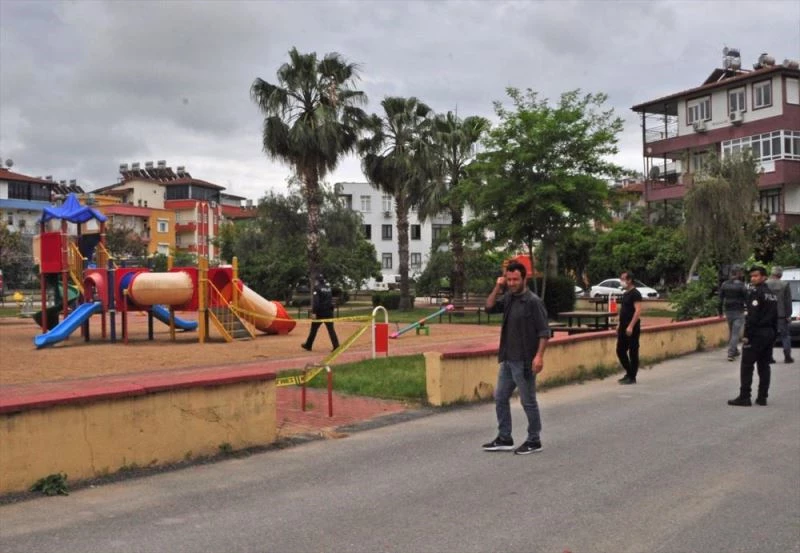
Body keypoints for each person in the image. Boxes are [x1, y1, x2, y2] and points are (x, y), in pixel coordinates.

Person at [481, 261, 550, 455]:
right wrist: (498, 286)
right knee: (501, 397)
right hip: (508, 359)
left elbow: (544, 332)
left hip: (525, 360)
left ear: (524, 279)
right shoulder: (509, 298)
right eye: (509, 279)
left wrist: (539, 357)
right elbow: (488, 307)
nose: (512, 283)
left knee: (528, 401)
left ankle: (534, 439)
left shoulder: (533, 302)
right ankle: (505, 437)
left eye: (515, 280)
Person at [728, 265, 778, 407]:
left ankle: (745, 396)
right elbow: (775, 316)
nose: (753, 278)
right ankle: (762, 397)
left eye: (756, 276)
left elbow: (752, 317)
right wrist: (774, 335)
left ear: (764, 277)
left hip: (757, 333)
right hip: (769, 333)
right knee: (764, 366)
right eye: (752, 276)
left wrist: (746, 335)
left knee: (747, 365)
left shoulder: (756, 293)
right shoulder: (772, 294)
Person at [301, 275, 340, 352]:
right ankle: (336, 346)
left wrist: (314, 312)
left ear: (317, 281)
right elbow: (330, 300)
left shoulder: (317, 288)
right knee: (331, 330)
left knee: (313, 329)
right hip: (329, 312)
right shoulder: (328, 288)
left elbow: (316, 302)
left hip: (320, 312)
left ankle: (308, 345)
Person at [616, 270, 642, 385]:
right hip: (623, 326)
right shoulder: (626, 293)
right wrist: (619, 324)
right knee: (620, 350)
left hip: (632, 327)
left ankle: (632, 377)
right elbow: (623, 310)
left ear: (629, 280)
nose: (621, 281)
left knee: (633, 351)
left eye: (623, 279)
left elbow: (638, 311)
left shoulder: (635, 293)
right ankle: (629, 372)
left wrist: (631, 326)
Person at [719, 266, 747, 362]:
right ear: (738, 273)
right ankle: (731, 353)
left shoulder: (724, 284)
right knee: (735, 333)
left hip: (728, 310)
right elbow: (746, 298)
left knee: (732, 332)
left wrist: (720, 312)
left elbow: (720, 299)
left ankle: (734, 350)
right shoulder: (741, 285)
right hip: (738, 311)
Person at [766, 266, 794, 364]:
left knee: (770, 336)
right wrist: (788, 315)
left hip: (768, 315)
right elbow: (788, 302)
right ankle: (787, 356)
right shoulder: (785, 284)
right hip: (781, 315)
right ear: (780, 274)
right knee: (785, 336)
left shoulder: (765, 284)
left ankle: (769, 357)